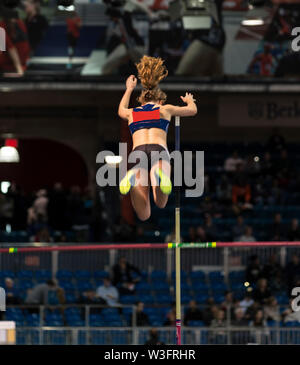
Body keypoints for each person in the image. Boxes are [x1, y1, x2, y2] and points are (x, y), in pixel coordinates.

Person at [118, 55, 197, 220]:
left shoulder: (132, 113)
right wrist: (189, 101)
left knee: (143, 214)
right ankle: (160, 175)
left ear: (141, 101)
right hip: (158, 150)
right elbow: (192, 110)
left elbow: (121, 110)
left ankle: (133, 184)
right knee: (160, 202)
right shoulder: (164, 109)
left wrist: (129, 88)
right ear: (160, 100)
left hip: (137, 152)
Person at [0, 10, 30, 76]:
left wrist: (19, 69)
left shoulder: (20, 24)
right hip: (8, 66)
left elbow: (11, 48)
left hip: (17, 65)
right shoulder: (2, 27)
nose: (13, 21)